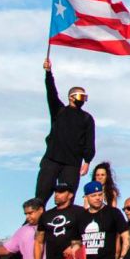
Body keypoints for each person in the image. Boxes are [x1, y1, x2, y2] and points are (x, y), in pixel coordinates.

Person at [36, 56, 95, 206]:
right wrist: (48, 72)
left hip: (72, 163)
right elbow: (51, 93)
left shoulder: (87, 118)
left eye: (85, 97)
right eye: (81, 96)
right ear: (71, 97)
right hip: (52, 159)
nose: (83, 99)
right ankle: (32, 227)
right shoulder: (59, 111)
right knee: (40, 197)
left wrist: (87, 161)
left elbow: (89, 142)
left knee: (67, 200)